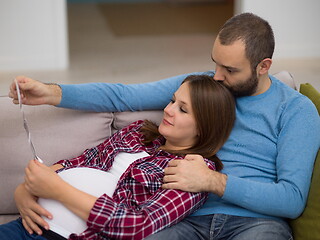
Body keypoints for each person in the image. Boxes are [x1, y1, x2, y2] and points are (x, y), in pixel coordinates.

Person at [8, 12, 320, 240]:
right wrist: (52, 92)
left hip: (257, 224)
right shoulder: (204, 87)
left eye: (229, 69)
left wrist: (214, 183)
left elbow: (291, 199)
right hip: (184, 216)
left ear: (264, 66)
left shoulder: (295, 110)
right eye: (214, 63)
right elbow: (125, 95)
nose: (217, 77)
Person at [1, 75, 235, 240]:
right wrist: (24, 190)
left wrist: (56, 190)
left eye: (183, 109)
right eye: (173, 100)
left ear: (203, 128)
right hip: (28, 225)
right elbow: (81, 161)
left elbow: (136, 225)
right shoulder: (138, 132)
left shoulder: (194, 172)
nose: (168, 109)